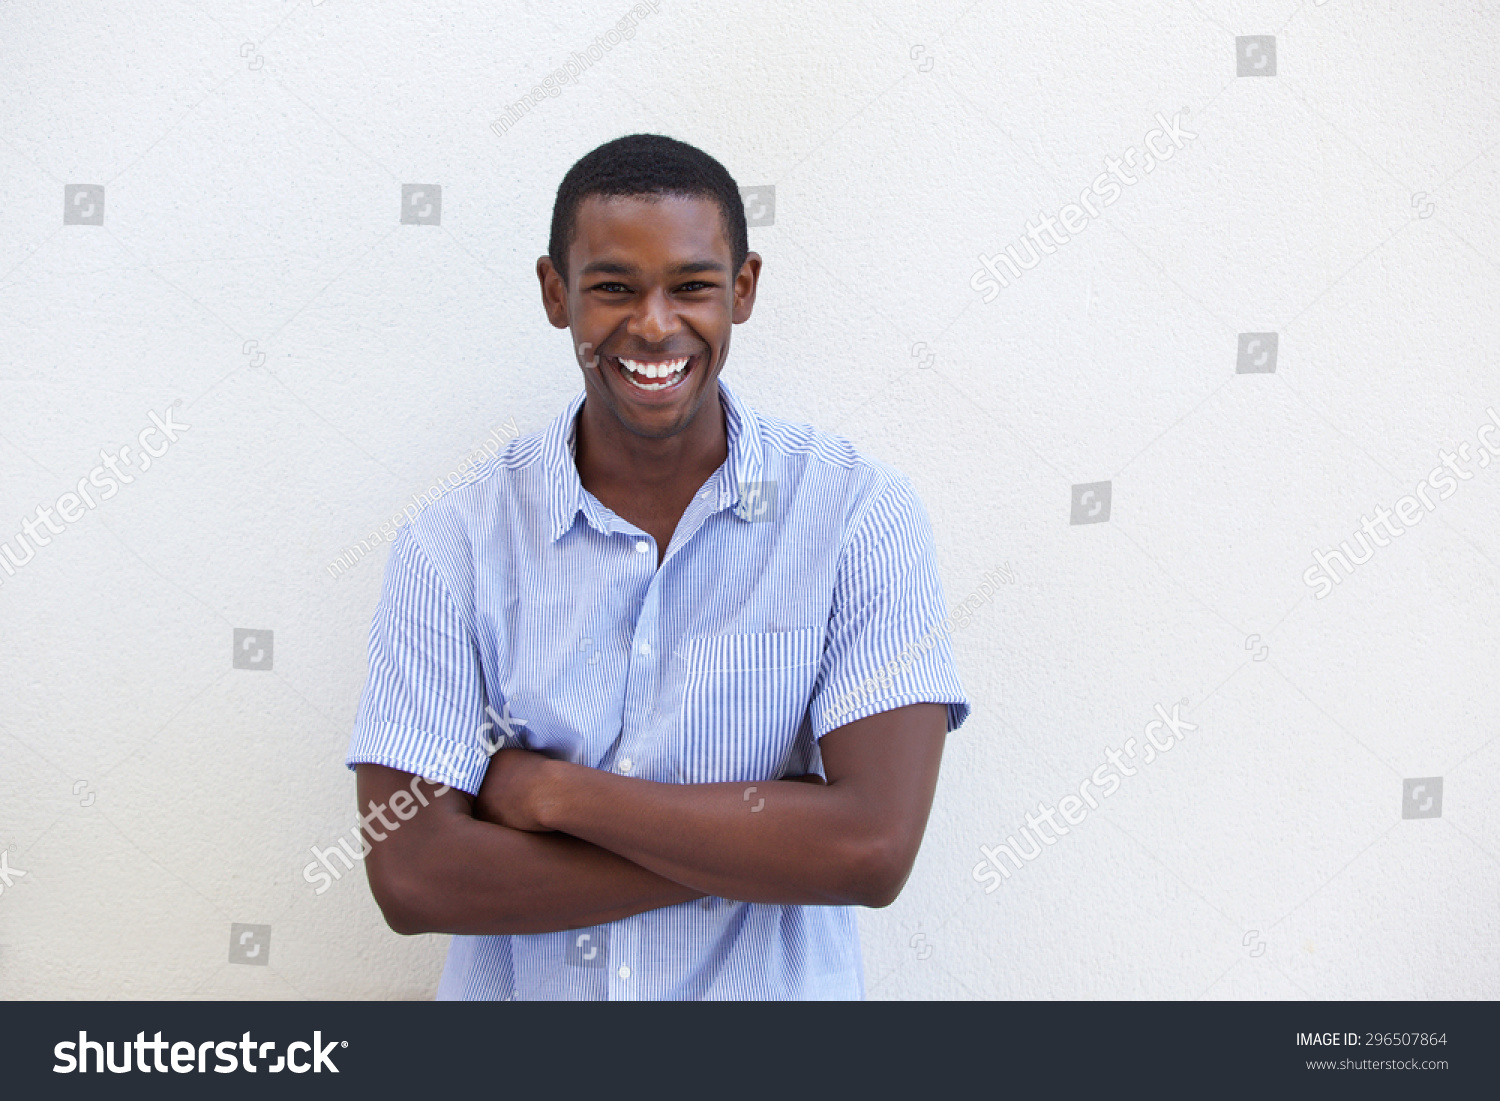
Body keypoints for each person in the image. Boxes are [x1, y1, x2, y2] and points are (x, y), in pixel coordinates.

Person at [346, 133, 970, 999]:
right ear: (555, 292)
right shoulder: (453, 542)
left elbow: (870, 850)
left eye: (692, 286)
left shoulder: (858, 517)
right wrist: (775, 843)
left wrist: (559, 796)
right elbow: (413, 876)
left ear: (742, 290)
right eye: (612, 287)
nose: (652, 323)